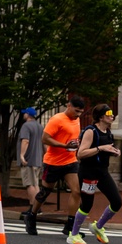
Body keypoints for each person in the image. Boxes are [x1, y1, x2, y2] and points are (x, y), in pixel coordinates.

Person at [23, 95, 86, 236]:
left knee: (76, 191)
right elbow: (45, 138)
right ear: (68, 106)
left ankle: (70, 226)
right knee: (45, 191)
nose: (78, 115)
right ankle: (31, 216)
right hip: (53, 162)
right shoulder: (57, 119)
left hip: (70, 161)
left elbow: (73, 138)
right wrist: (64, 145)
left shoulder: (77, 120)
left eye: (81, 112)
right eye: (76, 111)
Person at [68, 101, 122, 244]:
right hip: (88, 173)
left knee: (117, 201)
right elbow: (81, 153)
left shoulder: (108, 132)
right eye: (109, 114)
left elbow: (105, 150)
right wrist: (101, 148)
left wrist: (114, 152)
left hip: (102, 172)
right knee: (87, 205)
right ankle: (73, 235)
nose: (112, 116)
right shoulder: (91, 131)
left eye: (112, 114)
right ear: (100, 117)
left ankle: (98, 227)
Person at [18, 108, 43, 208]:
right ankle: (38, 207)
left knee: (29, 184)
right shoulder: (40, 126)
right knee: (36, 184)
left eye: (25, 113)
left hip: (28, 160)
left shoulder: (26, 126)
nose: (23, 115)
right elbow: (44, 142)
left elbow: (25, 141)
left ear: (28, 115)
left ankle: (33, 207)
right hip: (38, 160)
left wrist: (22, 155)